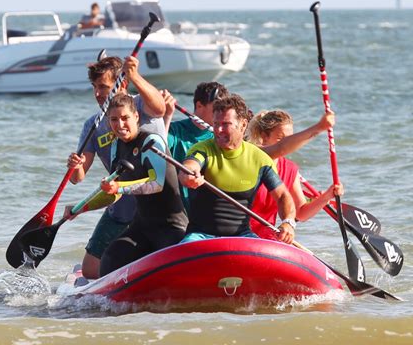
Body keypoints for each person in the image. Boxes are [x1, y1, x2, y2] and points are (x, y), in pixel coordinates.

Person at [65, 55, 166, 278]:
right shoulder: (92, 125)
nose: (98, 93)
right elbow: (77, 178)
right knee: (90, 270)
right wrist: (75, 165)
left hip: (155, 204)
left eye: (104, 86)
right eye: (94, 87)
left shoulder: (140, 104)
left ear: (121, 84)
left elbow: (160, 109)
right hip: (120, 206)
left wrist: (135, 75)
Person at [179, 94, 297, 244]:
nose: (219, 130)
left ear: (243, 125)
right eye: (216, 124)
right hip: (201, 236)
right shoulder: (203, 149)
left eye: (226, 124)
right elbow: (189, 166)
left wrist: (288, 223)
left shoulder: (260, 159)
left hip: (242, 237)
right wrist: (189, 175)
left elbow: (282, 196)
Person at [99, 94, 188, 276]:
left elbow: (156, 184)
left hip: (170, 227)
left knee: (173, 270)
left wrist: (120, 187)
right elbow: (114, 191)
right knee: (109, 262)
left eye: (125, 118)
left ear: (137, 117)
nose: (120, 124)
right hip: (142, 226)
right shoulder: (117, 146)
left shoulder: (152, 142)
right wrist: (78, 210)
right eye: (114, 119)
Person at [247, 109, 344, 239]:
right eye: (281, 138)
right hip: (239, 234)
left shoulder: (290, 168)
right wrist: (319, 128)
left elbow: (301, 212)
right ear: (264, 136)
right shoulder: (251, 154)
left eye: (290, 138)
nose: (288, 143)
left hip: (265, 238)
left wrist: (327, 196)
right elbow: (281, 147)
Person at [162, 81, 230, 212]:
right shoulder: (174, 130)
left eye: (224, 108)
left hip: (210, 212)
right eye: (217, 108)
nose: (222, 113)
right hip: (177, 210)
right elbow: (159, 150)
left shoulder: (223, 138)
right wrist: (167, 115)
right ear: (199, 106)